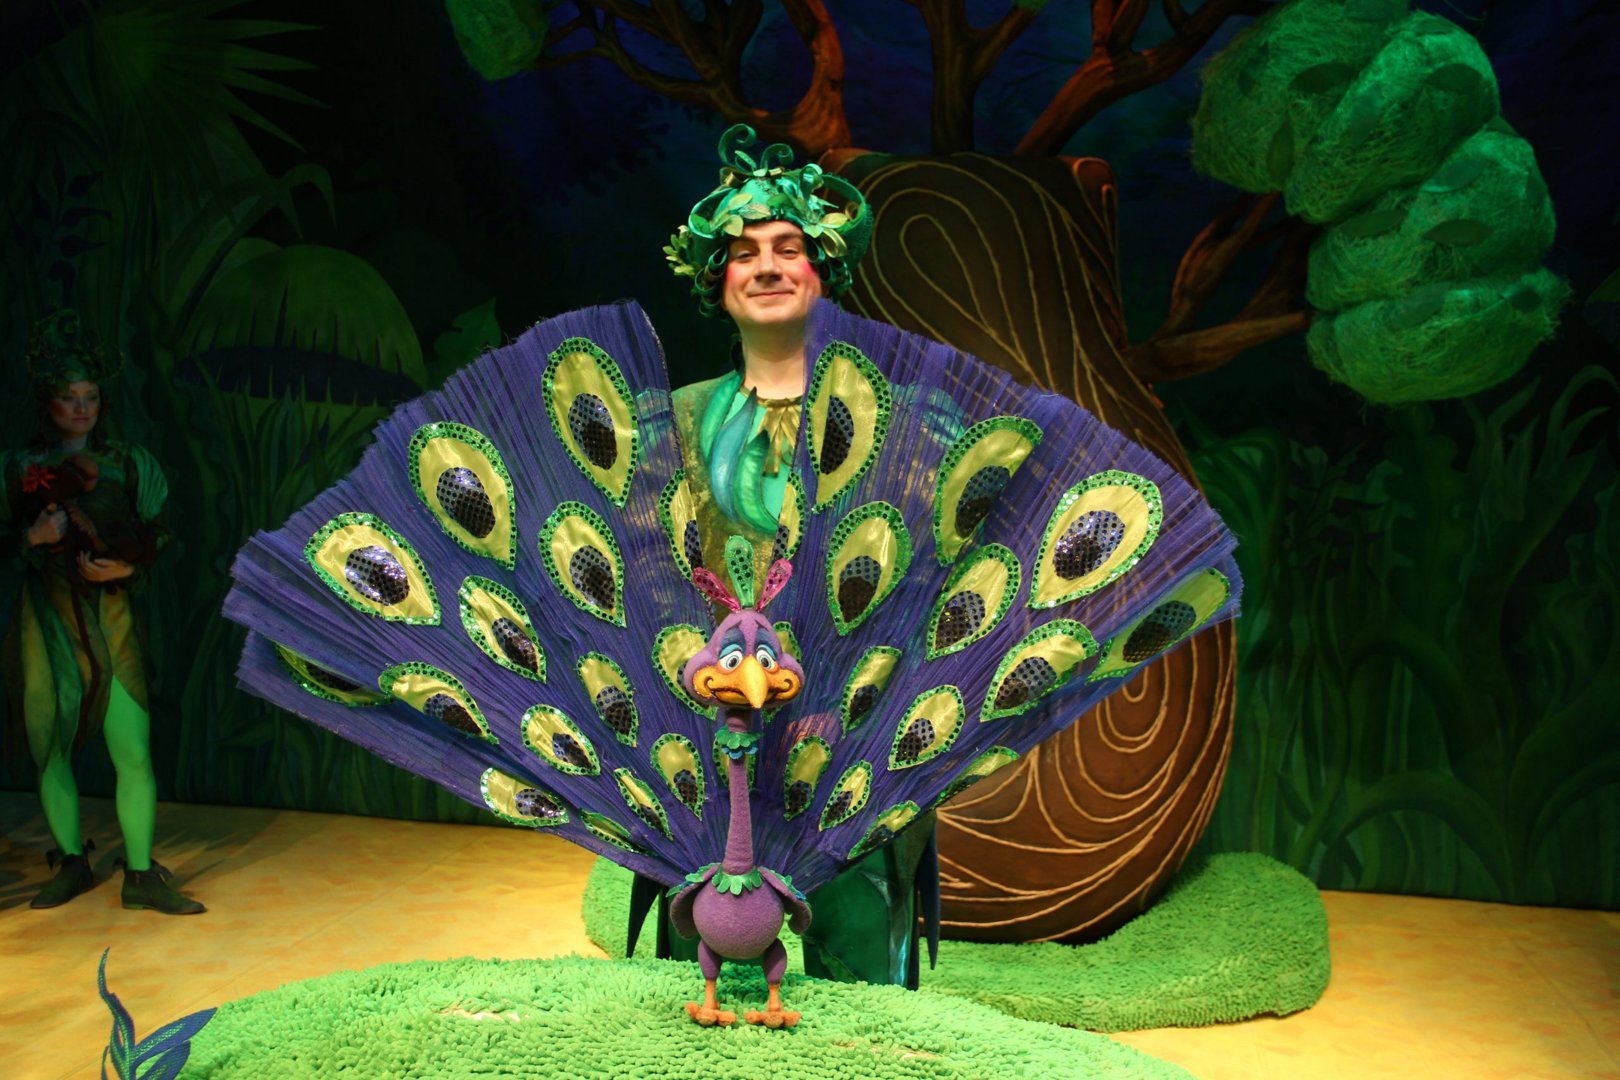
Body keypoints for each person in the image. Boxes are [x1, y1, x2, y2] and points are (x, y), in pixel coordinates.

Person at [646, 126, 935, 986]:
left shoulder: (896, 421)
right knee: (700, 983)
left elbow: (924, 584)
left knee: (860, 985)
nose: (766, 267)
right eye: (743, 253)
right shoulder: (675, 422)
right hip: (708, 746)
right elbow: (648, 581)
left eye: (787, 248)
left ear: (822, 272)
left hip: (849, 753)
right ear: (717, 281)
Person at [2, 310, 204, 915]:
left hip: (112, 621)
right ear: (49, 402)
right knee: (50, 745)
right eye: (70, 397)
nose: (81, 408)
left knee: (132, 750)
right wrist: (32, 538)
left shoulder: (130, 462)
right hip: (49, 624)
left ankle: (140, 874)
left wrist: (126, 570)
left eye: (90, 397)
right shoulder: (17, 468)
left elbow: (159, 532)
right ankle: (71, 861)